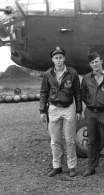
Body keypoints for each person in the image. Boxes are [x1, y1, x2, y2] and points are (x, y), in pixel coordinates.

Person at [39, 46, 82, 177]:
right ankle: (57, 166)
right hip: (53, 109)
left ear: (64, 58)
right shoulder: (48, 74)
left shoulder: (72, 73)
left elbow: (77, 93)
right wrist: (42, 110)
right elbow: (43, 93)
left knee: (70, 139)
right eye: (56, 58)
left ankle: (72, 167)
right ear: (52, 59)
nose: (58, 60)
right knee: (55, 140)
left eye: (60, 57)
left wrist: (79, 109)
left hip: (68, 107)